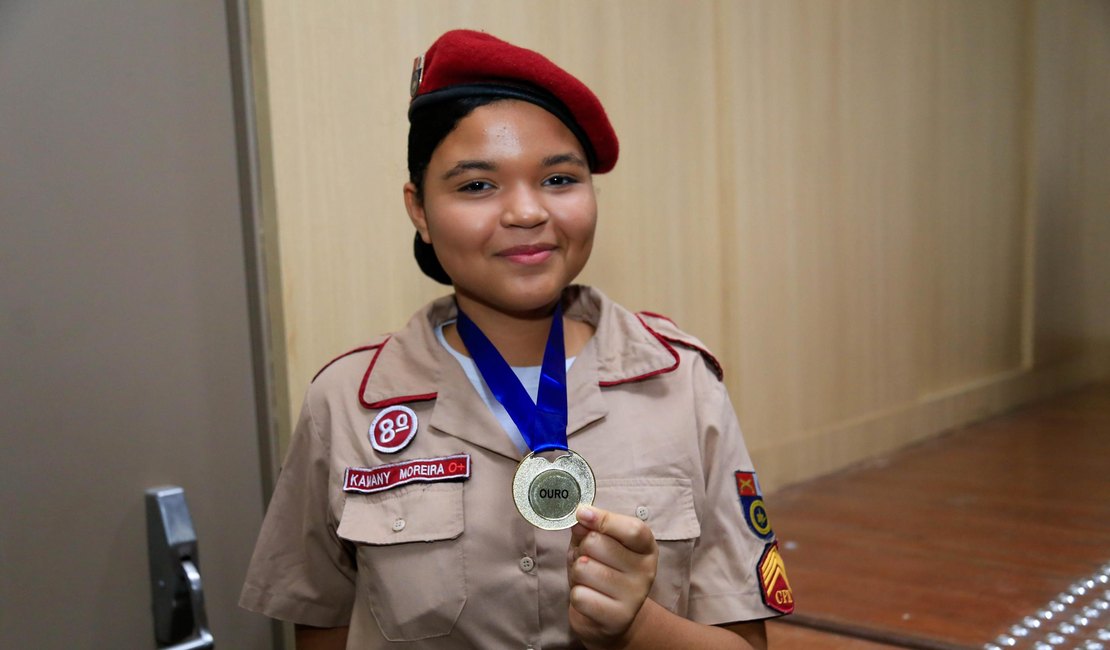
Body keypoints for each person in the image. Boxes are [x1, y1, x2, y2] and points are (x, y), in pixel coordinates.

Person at [240, 29, 792, 649]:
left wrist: (638, 625)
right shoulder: (347, 400)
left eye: (559, 179)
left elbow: (746, 644)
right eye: (477, 185)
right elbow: (321, 623)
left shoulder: (680, 384)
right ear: (419, 209)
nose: (528, 212)